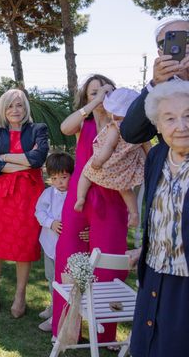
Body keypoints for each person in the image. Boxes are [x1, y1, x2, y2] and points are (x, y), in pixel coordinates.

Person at [52, 74, 129, 346]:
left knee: (108, 264)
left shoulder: (121, 122)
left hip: (112, 197)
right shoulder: (82, 122)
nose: (98, 96)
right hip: (78, 197)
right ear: (86, 97)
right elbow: (64, 127)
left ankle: (105, 335)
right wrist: (93, 103)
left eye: (103, 91)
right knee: (67, 257)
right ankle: (64, 329)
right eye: (91, 92)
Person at [127, 80, 189, 357]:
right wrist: (147, 247)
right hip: (153, 273)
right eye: (170, 118)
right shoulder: (157, 156)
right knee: (145, 348)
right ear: (158, 125)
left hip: (184, 282)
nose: (181, 126)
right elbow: (162, 213)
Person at [0, 88, 49, 318]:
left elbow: (38, 159)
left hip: (30, 194)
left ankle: (20, 294)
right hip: (2, 195)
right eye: (10, 105)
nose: (15, 110)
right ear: (4, 108)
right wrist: (25, 162)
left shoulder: (38, 129)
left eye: (19, 105)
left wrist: (6, 158)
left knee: (24, 243)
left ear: (26, 108)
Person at [75, 88, 149, 228]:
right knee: (125, 189)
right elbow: (148, 149)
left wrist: (98, 161)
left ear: (115, 113)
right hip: (124, 168)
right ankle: (134, 213)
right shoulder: (141, 131)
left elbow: (109, 146)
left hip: (107, 163)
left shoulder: (115, 127)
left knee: (85, 175)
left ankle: (80, 198)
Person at [122, 18, 189, 145]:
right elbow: (131, 134)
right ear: (160, 53)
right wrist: (155, 85)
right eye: (166, 42)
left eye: (186, 38)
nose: (179, 46)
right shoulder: (160, 88)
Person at [35, 152, 75, 332]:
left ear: (71, 175)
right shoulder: (48, 194)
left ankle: (60, 312)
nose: (59, 182)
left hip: (69, 248)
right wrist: (51, 223)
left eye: (64, 177)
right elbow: (39, 212)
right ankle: (54, 306)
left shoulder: (75, 193)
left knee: (65, 280)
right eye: (54, 178)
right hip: (50, 244)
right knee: (51, 278)